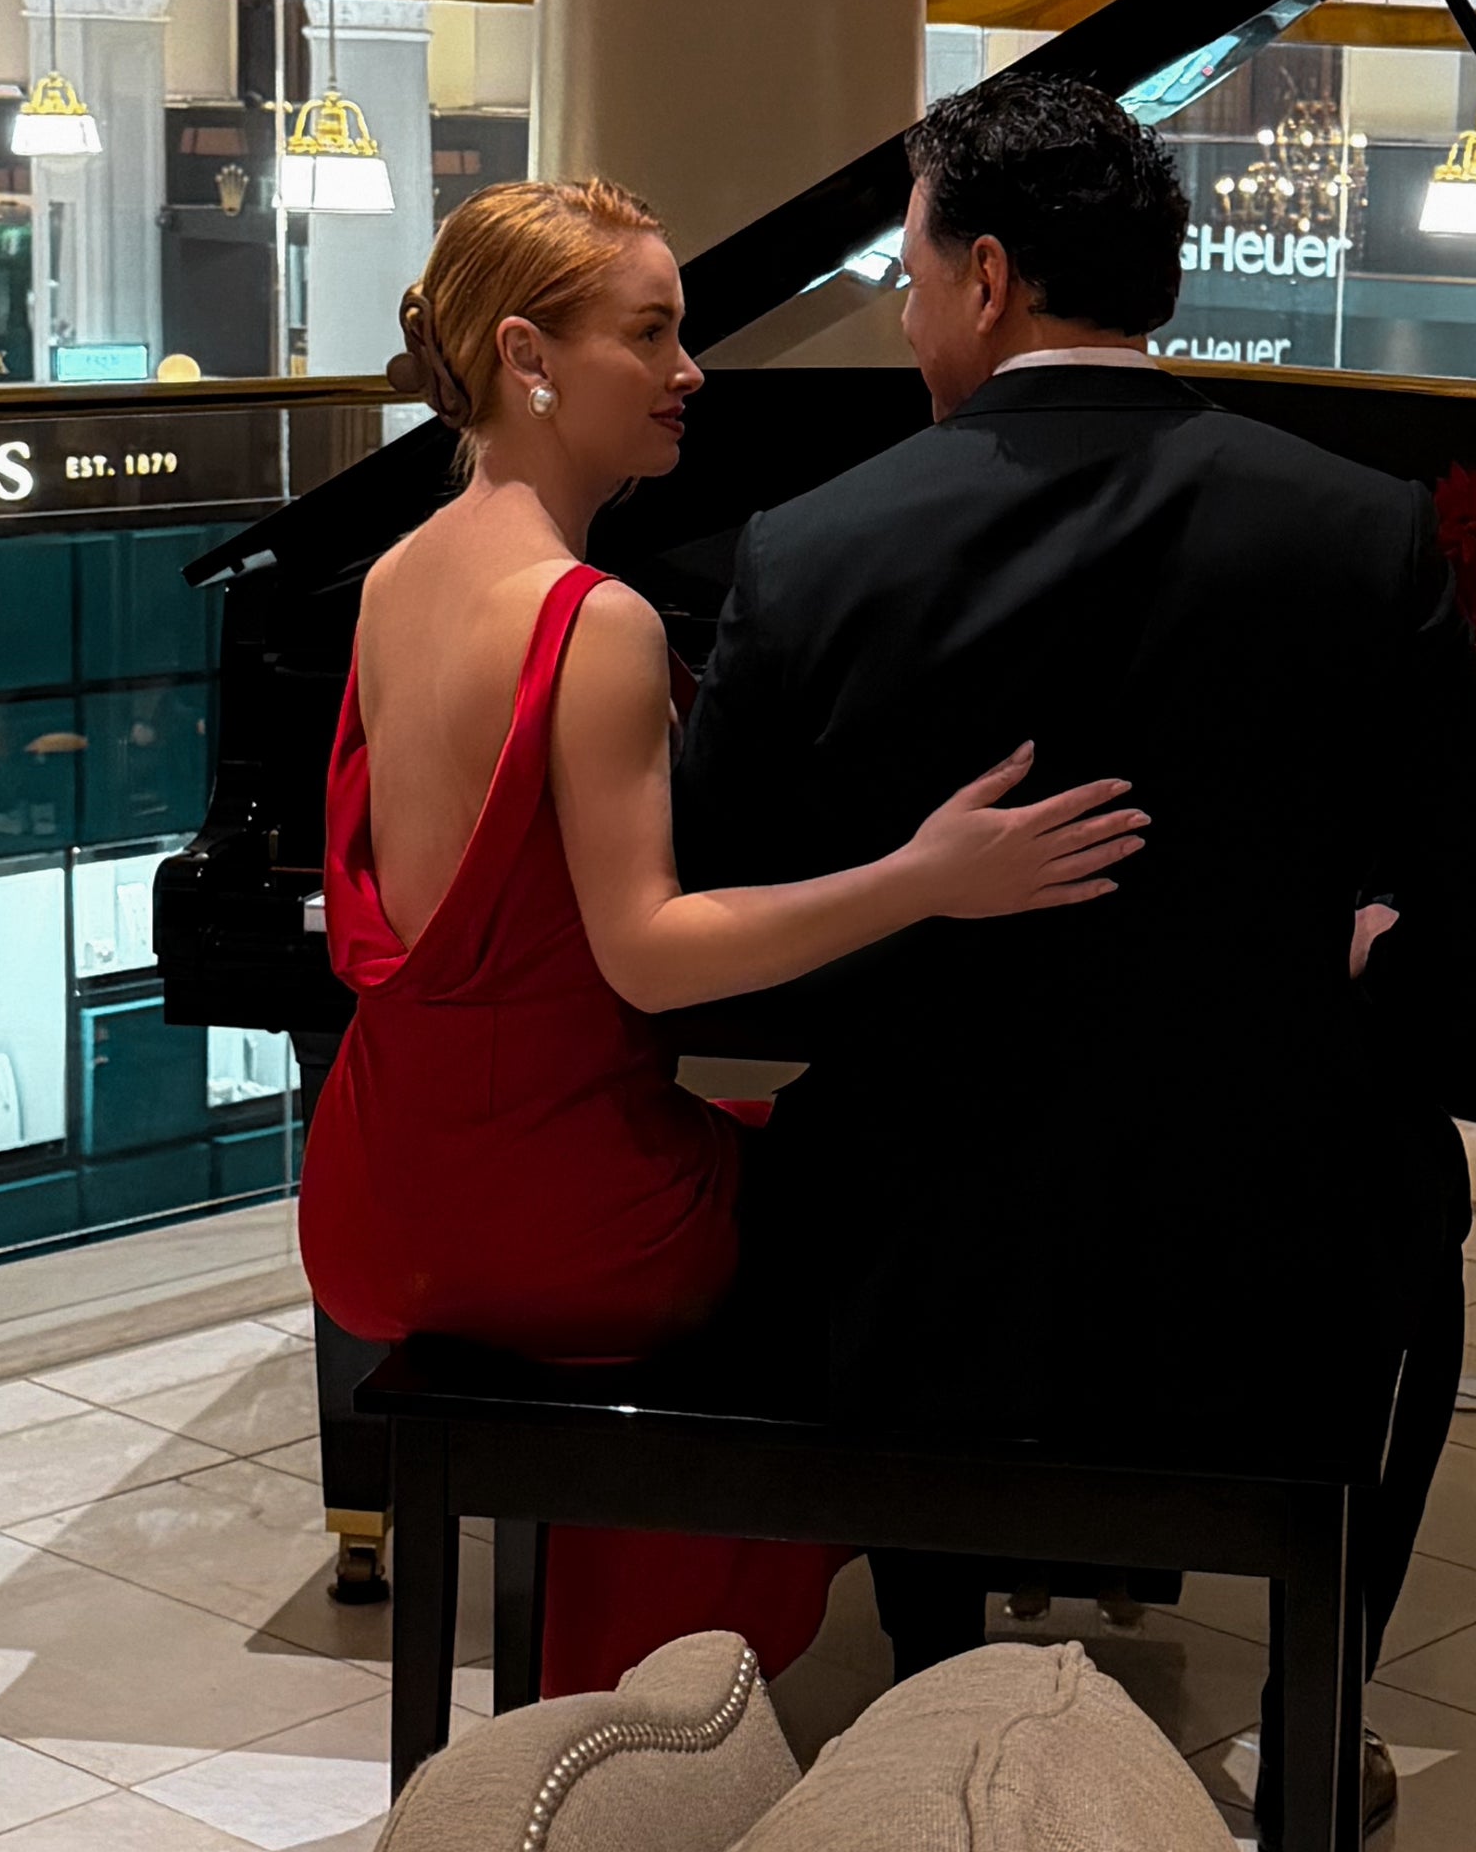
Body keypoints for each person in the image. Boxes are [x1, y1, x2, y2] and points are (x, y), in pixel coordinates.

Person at [677, 75, 1476, 1841]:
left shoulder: (813, 548)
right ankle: (1320, 1703)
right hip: (1272, 1253)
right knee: (1410, 1192)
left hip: (925, 1255)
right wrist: (1356, 1018)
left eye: (912, 275)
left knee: (841, 1173)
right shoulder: (1356, 527)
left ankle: (933, 1673)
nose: (910, 312)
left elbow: (724, 911)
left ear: (989, 277)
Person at [301, 178, 1149, 1698]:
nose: (693, 372)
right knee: (876, 1193)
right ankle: (750, 1672)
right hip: (555, 1225)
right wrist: (929, 874)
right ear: (527, 355)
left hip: (371, 1194)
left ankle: (620, 1667)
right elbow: (650, 955)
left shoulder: (388, 582)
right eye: (654, 333)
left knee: (782, 1140)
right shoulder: (593, 617)